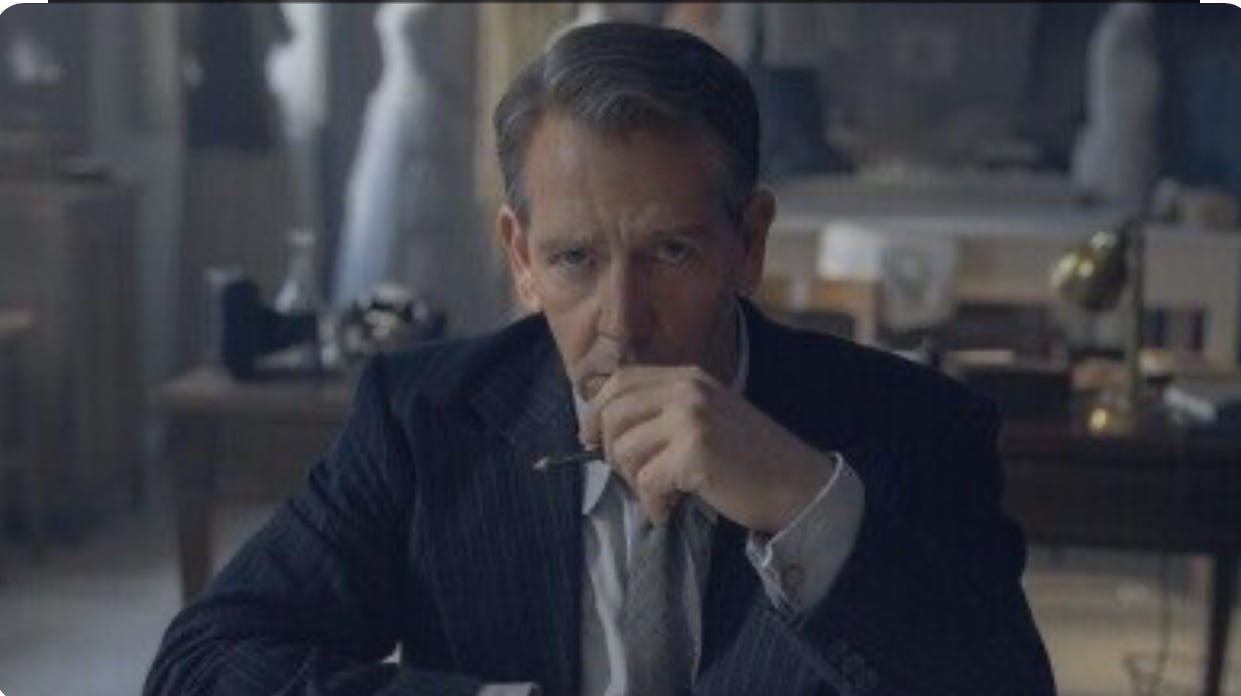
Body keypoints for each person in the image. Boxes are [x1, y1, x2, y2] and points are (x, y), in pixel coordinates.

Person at [145, 23, 1054, 696]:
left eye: (670, 253)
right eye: (574, 259)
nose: (622, 321)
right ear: (520, 257)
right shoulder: (422, 418)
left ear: (748, 242)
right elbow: (200, 667)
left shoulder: (916, 428)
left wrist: (802, 506)